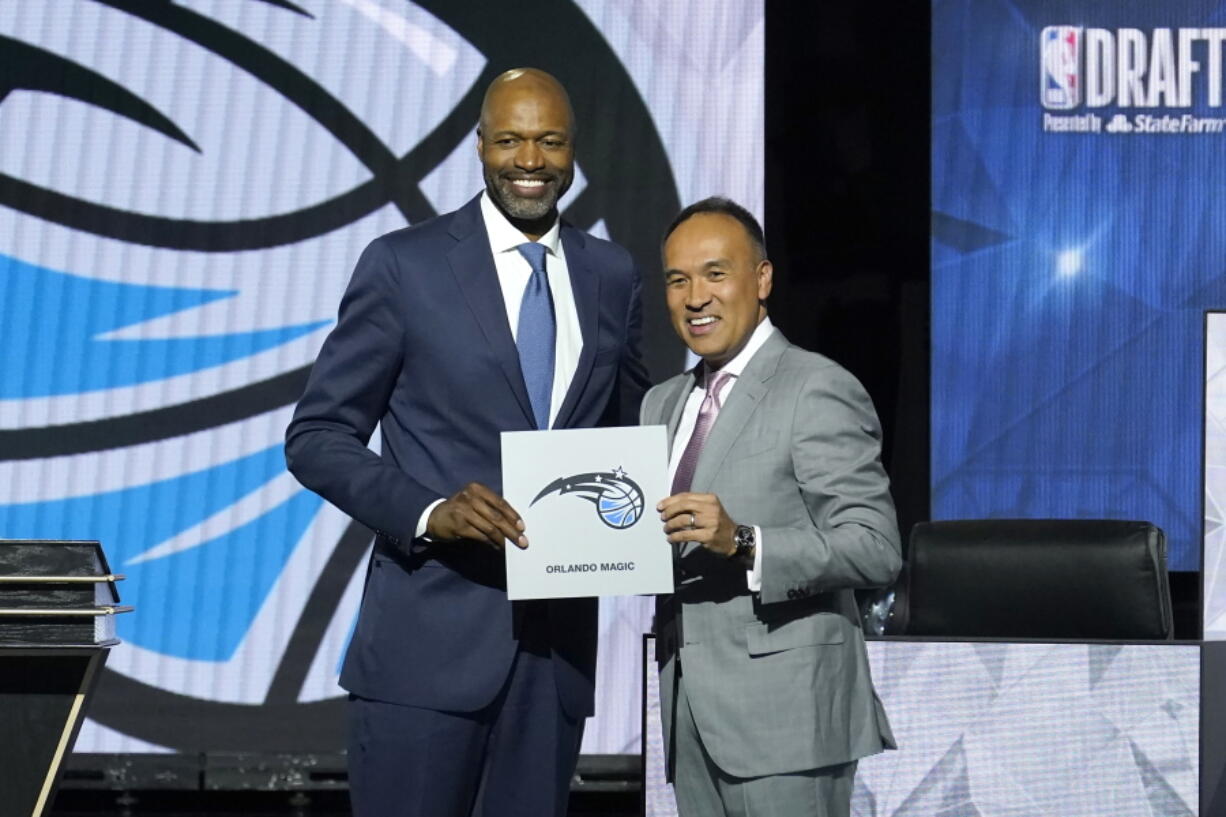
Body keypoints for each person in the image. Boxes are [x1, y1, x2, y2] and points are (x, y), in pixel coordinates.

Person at [285, 68, 648, 817]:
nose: (530, 159)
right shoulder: (404, 265)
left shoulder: (611, 276)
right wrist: (428, 510)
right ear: (479, 146)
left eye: (549, 140)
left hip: (553, 662)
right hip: (425, 652)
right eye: (511, 139)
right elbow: (317, 435)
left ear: (573, 151)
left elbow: (632, 430)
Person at [642, 197, 901, 816]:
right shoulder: (661, 403)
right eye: (678, 280)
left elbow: (876, 547)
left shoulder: (816, 387)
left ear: (762, 280)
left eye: (714, 273)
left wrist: (747, 541)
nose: (695, 296)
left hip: (789, 723)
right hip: (690, 719)